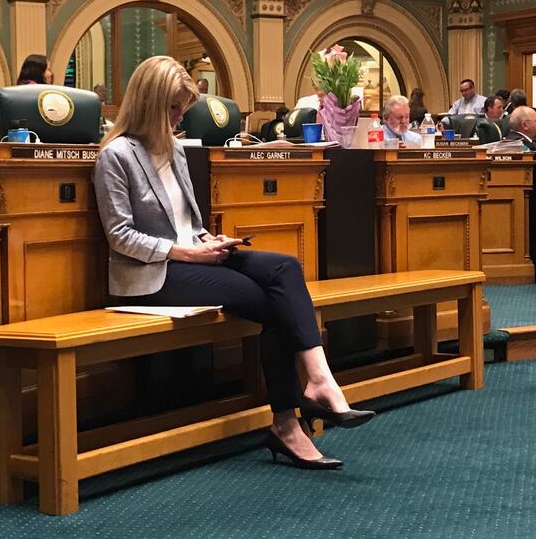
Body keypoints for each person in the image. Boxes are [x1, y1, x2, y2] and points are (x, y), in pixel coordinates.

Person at [95, 56, 372, 469]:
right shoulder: (115, 155)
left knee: (285, 268)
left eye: (183, 110)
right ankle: (288, 421)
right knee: (267, 300)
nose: (177, 119)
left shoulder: (174, 149)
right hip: (153, 273)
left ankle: (318, 381)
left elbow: (188, 222)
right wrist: (189, 251)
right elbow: (120, 237)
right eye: (172, 109)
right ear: (149, 103)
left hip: (193, 256)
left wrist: (209, 240)